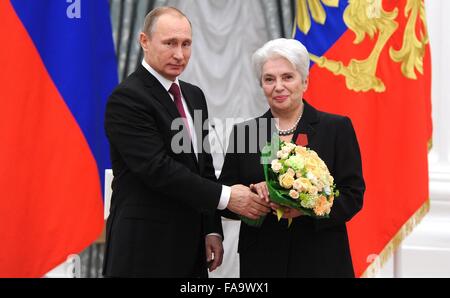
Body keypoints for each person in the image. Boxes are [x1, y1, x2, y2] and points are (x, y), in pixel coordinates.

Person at [102, 7, 270, 278]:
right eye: (170, 43)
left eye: (186, 44)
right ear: (144, 41)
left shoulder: (193, 96)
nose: (179, 54)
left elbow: (202, 166)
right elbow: (158, 169)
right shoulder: (127, 99)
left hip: (191, 248)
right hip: (143, 248)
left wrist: (211, 228)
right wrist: (228, 196)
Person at [219, 38, 365, 277]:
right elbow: (224, 197)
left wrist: (305, 207)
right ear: (261, 85)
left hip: (321, 259)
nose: (278, 86)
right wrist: (251, 198)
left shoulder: (336, 128)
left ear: (304, 81)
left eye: (287, 77)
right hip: (262, 260)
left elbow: (353, 195)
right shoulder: (245, 133)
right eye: (269, 79)